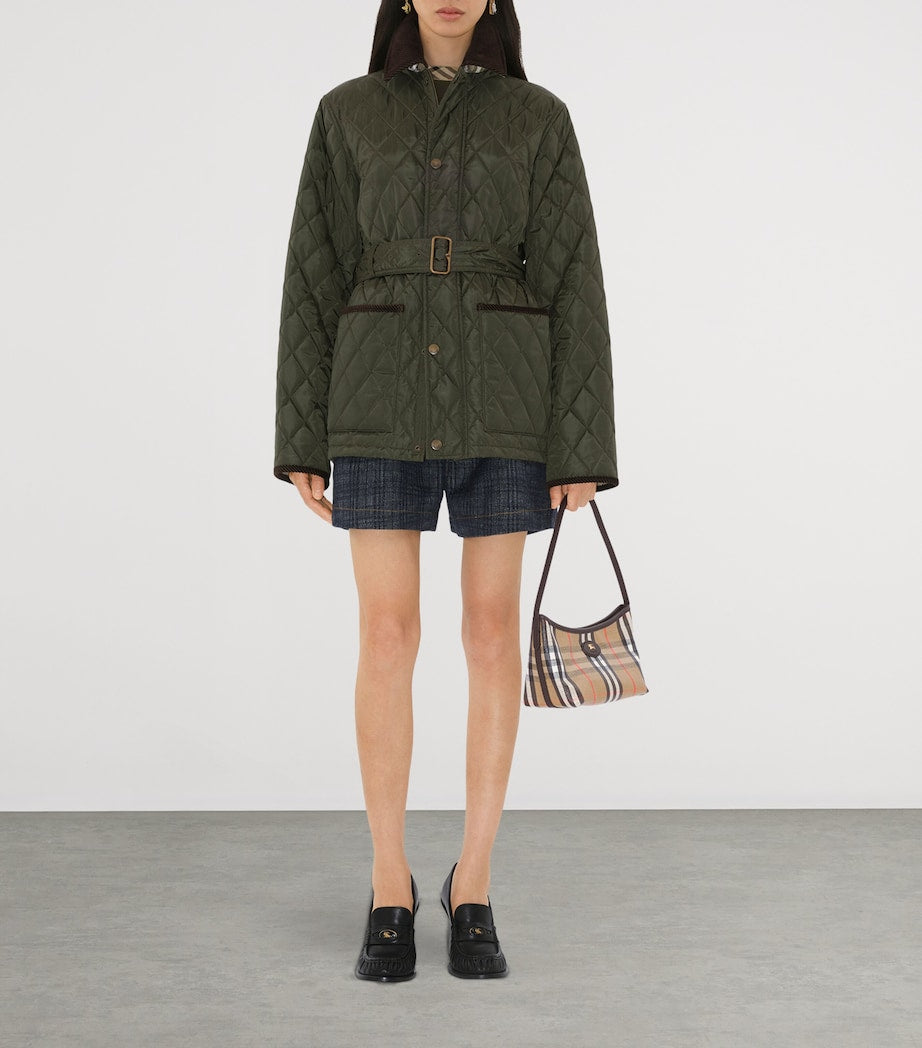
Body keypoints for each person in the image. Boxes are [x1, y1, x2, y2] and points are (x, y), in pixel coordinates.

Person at [273, 0, 619, 980]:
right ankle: (389, 880)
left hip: (504, 399)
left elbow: (574, 279)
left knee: (489, 634)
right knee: (387, 635)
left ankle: (474, 881)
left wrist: (578, 444)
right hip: (376, 390)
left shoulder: (537, 118)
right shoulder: (346, 112)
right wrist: (300, 433)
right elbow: (312, 274)